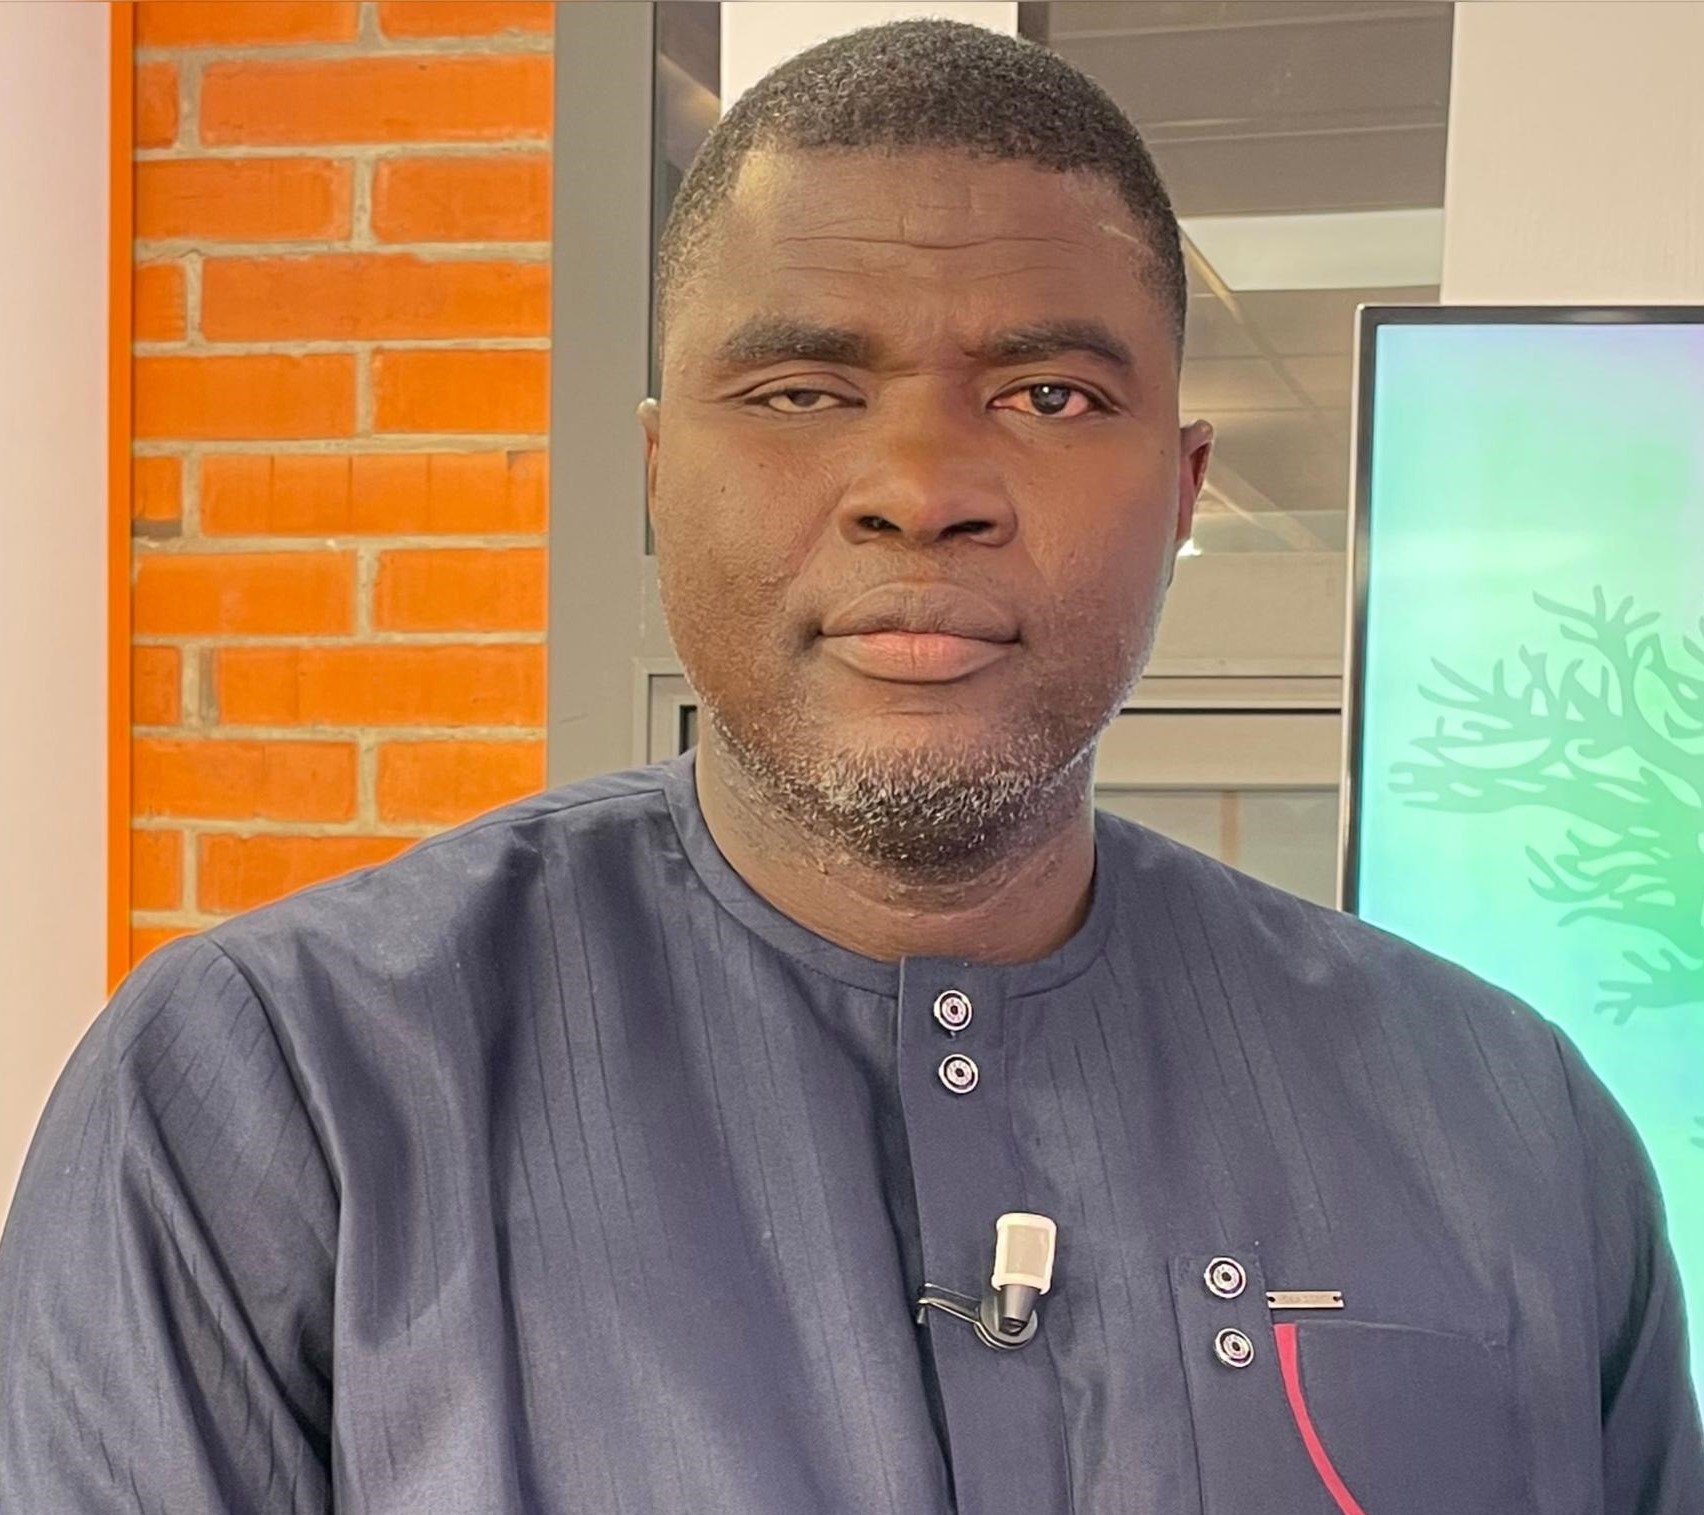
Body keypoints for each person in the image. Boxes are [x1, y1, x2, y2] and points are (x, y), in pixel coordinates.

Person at [2, 17, 1699, 1513]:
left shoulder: (1508, 1124)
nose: (921, 490)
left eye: (1048, 396)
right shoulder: (277, 1103)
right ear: (658, 475)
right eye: (804, 390)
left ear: (1183, 492)